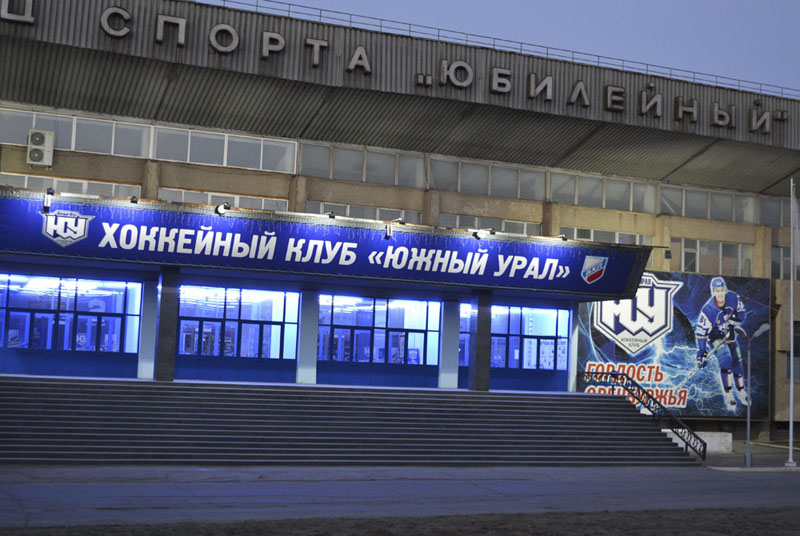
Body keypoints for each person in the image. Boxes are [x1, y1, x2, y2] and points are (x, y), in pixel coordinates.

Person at [695, 276, 750, 409]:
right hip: (715, 337)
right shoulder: (708, 310)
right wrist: (701, 352)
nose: (720, 293)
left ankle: (741, 390)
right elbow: (701, 333)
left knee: (737, 360)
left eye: (721, 290)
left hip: (729, 333)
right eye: (717, 290)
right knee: (726, 359)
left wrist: (732, 324)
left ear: (725, 289)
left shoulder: (733, 297)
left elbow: (742, 313)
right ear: (713, 292)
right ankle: (728, 393)